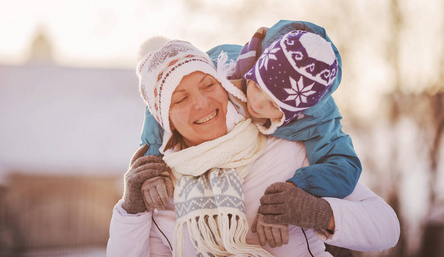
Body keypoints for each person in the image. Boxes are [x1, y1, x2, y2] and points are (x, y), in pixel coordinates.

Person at [107, 39, 400, 256]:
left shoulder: (285, 147)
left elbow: (387, 228)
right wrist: (132, 211)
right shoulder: (163, 190)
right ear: (163, 117)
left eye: (208, 85)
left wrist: (317, 212)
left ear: (224, 84)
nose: (202, 103)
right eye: (180, 99)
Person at [140, 20, 361, 200]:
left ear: (295, 112)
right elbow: (161, 91)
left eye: (273, 104)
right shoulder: (228, 61)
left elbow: (345, 167)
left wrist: (300, 186)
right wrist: (152, 155)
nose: (256, 104)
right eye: (256, 85)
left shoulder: (316, 121)